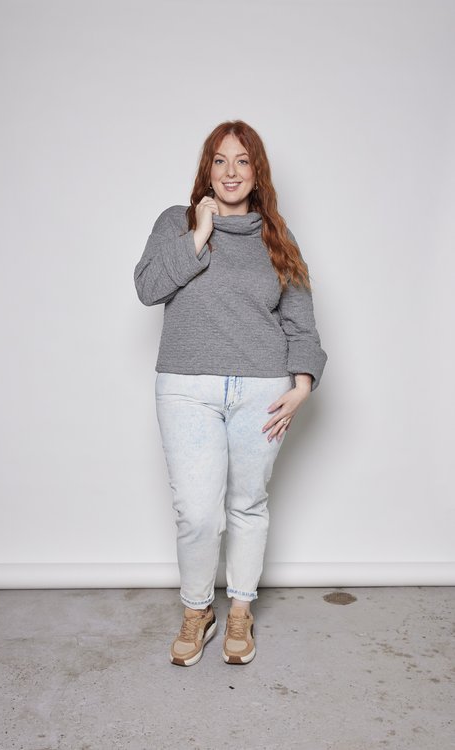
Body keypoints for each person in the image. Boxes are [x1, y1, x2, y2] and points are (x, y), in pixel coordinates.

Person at [133, 120, 328, 666]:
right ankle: (199, 610)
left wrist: (302, 385)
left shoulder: (277, 237)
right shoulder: (175, 222)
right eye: (220, 161)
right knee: (197, 512)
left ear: (256, 171)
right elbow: (148, 287)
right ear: (207, 169)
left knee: (247, 504)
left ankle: (240, 608)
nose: (231, 172)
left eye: (242, 161)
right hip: (186, 388)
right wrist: (199, 232)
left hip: (261, 391)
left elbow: (301, 323)